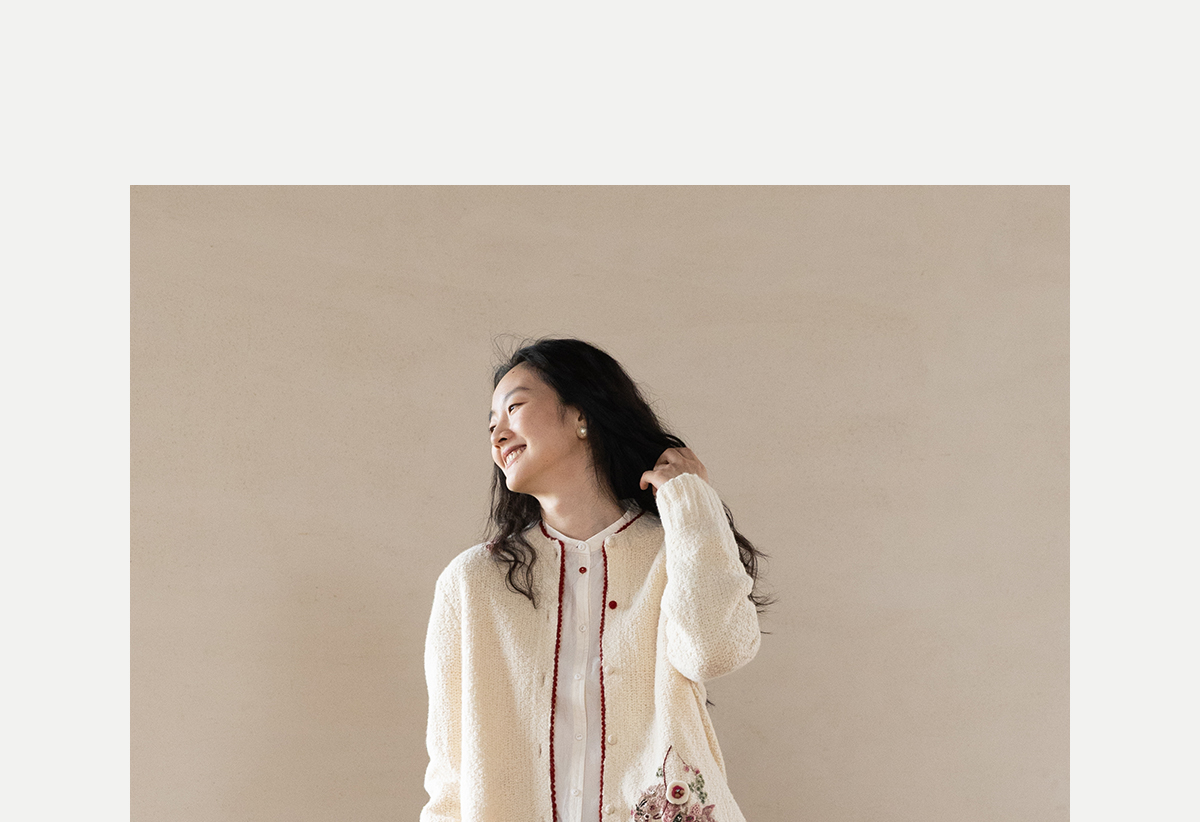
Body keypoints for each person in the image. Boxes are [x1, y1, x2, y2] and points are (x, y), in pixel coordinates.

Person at [421, 338, 768, 822]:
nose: (497, 434)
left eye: (514, 407)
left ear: (581, 414)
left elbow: (715, 651)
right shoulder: (472, 581)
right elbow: (451, 772)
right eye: (491, 423)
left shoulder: (676, 549)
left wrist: (691, 502)